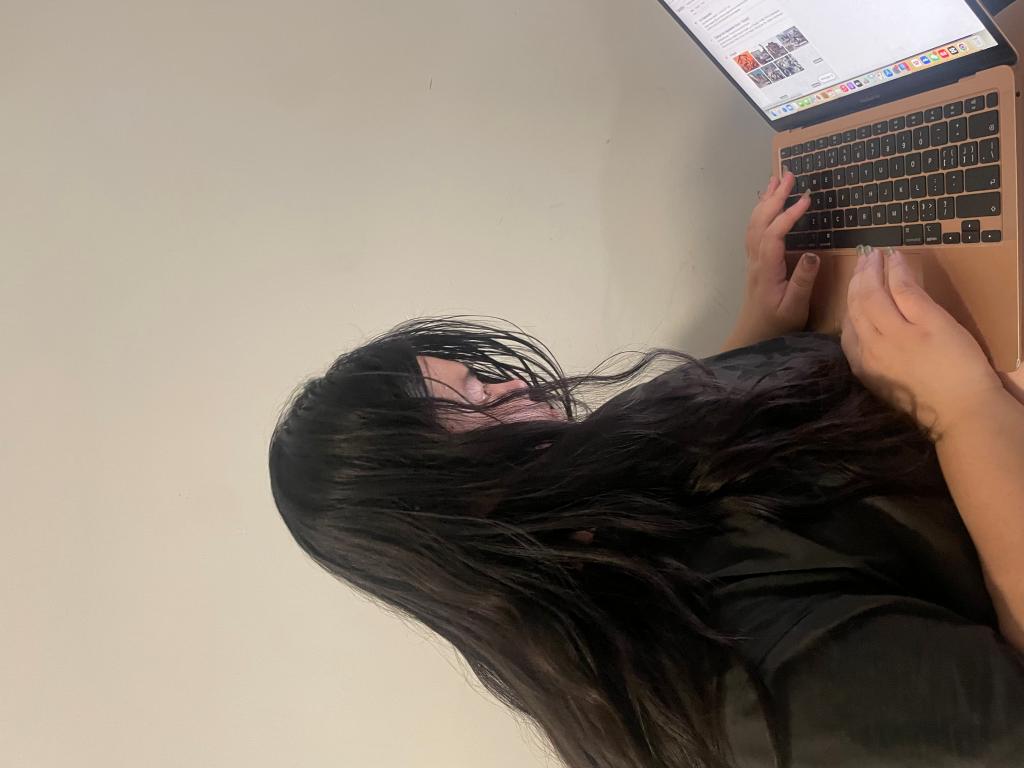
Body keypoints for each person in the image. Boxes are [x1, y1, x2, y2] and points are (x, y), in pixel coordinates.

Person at [268, 171, 1024, 768]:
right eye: (478, 401)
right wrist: (965, 411)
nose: (514, 384)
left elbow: (699, 468)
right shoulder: (756, 691)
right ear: (453, 515)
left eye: (481, 376)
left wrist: (760, 329)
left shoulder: (584, 493)